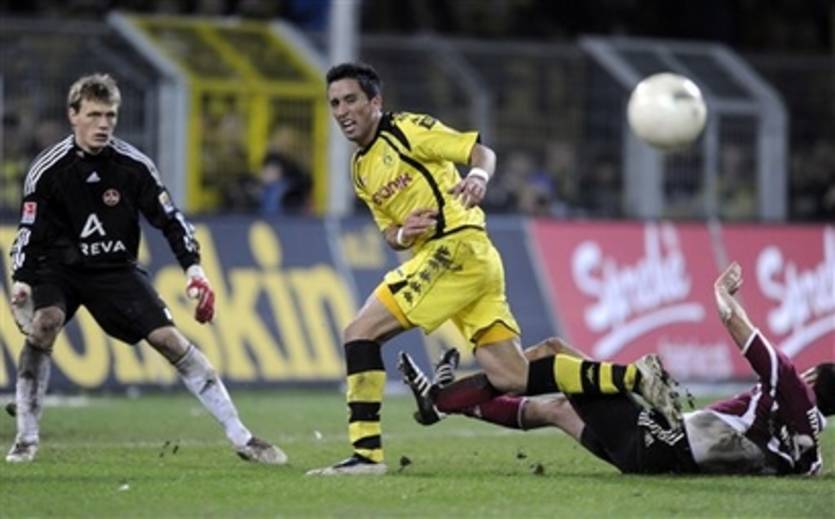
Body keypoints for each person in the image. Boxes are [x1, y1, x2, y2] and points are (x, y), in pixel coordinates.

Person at [307, 62, 683, 476]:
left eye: (351, 100)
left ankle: (366, 456)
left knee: (359, 333)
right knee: (512, 376)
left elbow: (480, 151)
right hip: (464, 259)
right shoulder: (360, 170)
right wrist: (402, 233)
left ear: (375, 102)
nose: (342, 111)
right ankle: (636, 376)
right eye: (335, 103)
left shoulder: (407, 130)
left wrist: (478, 177)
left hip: (455, 250)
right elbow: (388, 233)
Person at [5, 73, 286, 465]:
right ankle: (26, 437)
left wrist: (193, 269)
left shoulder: (134, 166)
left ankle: (242, 436)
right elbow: (29, 229)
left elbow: (171, 219)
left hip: (114, 269)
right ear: (73, 115)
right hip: (58, 267)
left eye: (110, 115)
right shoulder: (47, 169)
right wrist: (21, 279)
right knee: (44, 324)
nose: (103, 124)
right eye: (94, 115)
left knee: (169, 340)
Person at [401, 262, 832, 475]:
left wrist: (721, 291)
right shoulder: (811, 451)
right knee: (558, 409)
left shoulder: (794, 387)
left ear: (812, 377)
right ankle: (449, 403)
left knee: (553, 351)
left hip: (656, 440)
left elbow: (744, 332)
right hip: (653, 460)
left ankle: (441, 401)